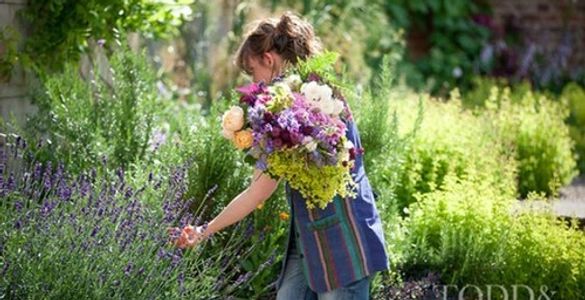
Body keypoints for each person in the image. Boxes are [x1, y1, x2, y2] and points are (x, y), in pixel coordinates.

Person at [167, 11, 389, 300]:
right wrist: (203, 230)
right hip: (308, 240)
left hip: (343, 245)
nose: (254, 83)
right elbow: (259, 186)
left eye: (252, 71)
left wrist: (204, 230)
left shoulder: (308, 103)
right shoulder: (301, 99)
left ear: (268, 60)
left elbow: (258, 191)